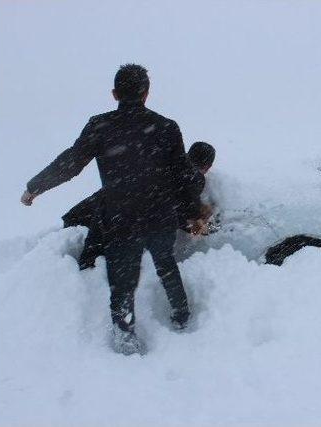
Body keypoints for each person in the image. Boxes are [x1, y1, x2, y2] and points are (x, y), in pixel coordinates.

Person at [21, 64, 206, 355]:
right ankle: (181, 316)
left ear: (114, 94)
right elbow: (182, 175)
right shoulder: (166, 127)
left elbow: (71, 162)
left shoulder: (100, 126)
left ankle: (125, 335)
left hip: (121, 218)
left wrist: (35, 187)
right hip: (159, 215)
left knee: (123, 282)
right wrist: (194, 212)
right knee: (166, 265)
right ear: (147, 93)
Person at [63, 141, 216, 270]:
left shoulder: (160, 166)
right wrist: (209, 227)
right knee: (95, 278)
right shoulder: (193, 177)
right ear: (207, 167)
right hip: (110, 223)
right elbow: (185, 212)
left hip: (82, 215)